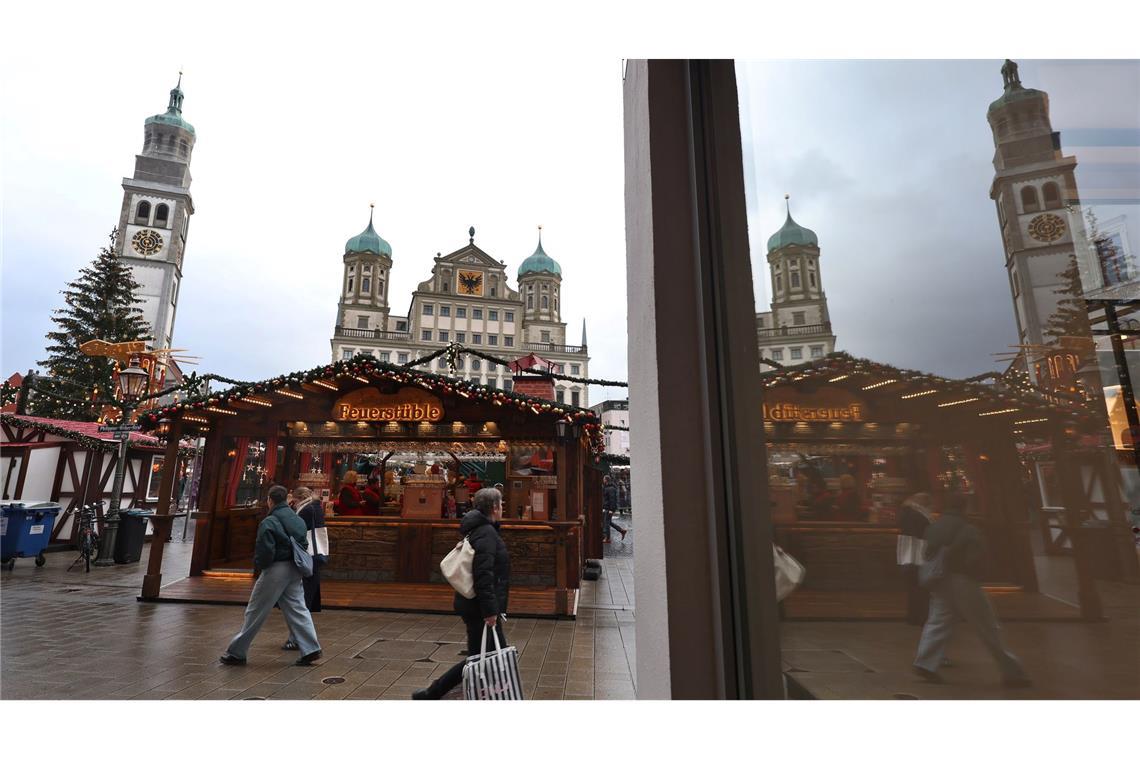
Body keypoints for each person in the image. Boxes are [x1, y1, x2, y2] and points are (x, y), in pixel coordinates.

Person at [912, 493, 1030, 687]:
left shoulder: (934, 526)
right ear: (964, 508)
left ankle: (925, 662)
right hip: (962, 579)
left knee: (938, 620)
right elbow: (976, 557)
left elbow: (926, 551)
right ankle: (1012, 671)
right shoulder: (968, 529)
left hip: (939, 579)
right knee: (987, 625)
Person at [413, 488, 511, 699]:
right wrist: (490, 611)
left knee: (486, 656)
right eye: (501, 504)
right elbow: (483, 575)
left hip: (475, 605)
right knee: (485, 657)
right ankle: (433, 693)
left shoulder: (481, 530)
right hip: (479, 607)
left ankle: (437, 693)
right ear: (494, 507)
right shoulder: (486, 533)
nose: (503, 508)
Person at [219, 485, 322, 667]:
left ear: (270, 500)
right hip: (295, 568)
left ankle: (237, 651)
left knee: (256, 609)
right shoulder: (297, 519)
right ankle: (311, 647)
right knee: (297, 606)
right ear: (286, 499)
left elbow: (265, 549)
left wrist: (262, 566)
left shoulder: (270, 521)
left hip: (276, 568)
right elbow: (304, 542)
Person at [282, 486, 328, 651]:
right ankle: (299, 638)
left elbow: (294, 529)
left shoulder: (306, 510)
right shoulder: (315, 507)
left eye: (293, 501)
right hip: (314, 558)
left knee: (300, 600)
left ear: (298, 498)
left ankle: (297, 638)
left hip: (307, 558)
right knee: (302, 600)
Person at [897, 493, 935, 626]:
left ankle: (913, 616)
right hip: (918, 554)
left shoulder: (907, 513)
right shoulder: (919, 516)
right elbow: (925, 534)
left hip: (908, 554)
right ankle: (921, 617)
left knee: (912, 587)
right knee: (921, 587)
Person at [602, 475, 626, 543]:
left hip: (609, 509)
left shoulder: (610, 488)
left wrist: (611, 510)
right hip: (607, 508)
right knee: (608, 522)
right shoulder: (608, 487)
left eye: (604, 479)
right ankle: (622, 531)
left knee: (606, 523)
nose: (603, 480)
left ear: (606, 480)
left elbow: (612, 500)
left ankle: (608, 538)